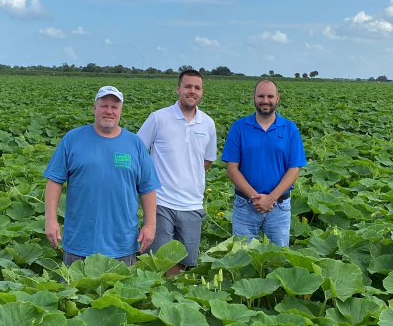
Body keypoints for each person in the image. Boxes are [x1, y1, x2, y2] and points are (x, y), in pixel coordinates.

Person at [43, 86, 161, 268]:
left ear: (120, 111)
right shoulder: (72, 139)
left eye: (114, 107)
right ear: (94, 108)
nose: (109, 111)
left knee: (119, 295)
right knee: (75, 295)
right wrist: (51, 220)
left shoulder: (135, 144)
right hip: (79, 242)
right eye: (104, 105)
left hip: (122, 242)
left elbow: (147, 188)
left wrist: (150, 225)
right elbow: (54, 182)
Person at [137, 69, 217, 276]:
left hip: (192, 204)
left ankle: (172, 300)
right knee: (159, 261)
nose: (192, 91)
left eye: (197, 88)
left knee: (184, 263)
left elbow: (207, 161)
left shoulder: (208, 124)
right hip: (161, 202)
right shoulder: (159, 118)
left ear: (202, 92)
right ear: (178, 89)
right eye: (188, 86)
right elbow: (137, 151)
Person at [221, 80, 306, 247]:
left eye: (270, 96)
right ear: (253, 98)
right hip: (245, 204)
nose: (265, 100)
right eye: (261, 96)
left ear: (277, 98)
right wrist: (256, 198)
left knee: (278, 260)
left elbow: (294, 170)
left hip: (279, 207)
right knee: (241, 258)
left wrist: (270, 199)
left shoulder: (290, 129)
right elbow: (232, 169)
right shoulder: (239, 127)